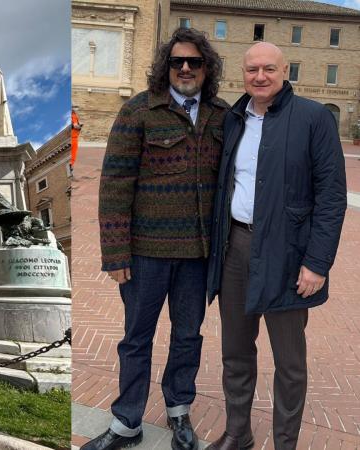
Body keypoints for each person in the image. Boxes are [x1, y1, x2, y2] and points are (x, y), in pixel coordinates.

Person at [87, 27, 228, 450]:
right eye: (177, 62)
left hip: (197, 255)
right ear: (165, 66)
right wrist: (115, 254)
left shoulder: (221, 115)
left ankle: (179, 410)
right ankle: (127, 421)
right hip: (145, 254)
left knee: (188, 336)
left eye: (195, 62)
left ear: (207, 69)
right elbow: (114, 184)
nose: (185, 68)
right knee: (136, 339)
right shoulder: (138, 111)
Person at [206, 42, 346, 450]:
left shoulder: (314, 118)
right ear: (242, 73)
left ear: (285, 71)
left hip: (288, 255)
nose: (260, 76)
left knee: (288, 362)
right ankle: (238, 432)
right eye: (252, 70)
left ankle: (285, 441)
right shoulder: (234, 119)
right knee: (235, 350)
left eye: (269, 68)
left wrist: (317, 263)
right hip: (236, 247)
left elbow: (332, 196)